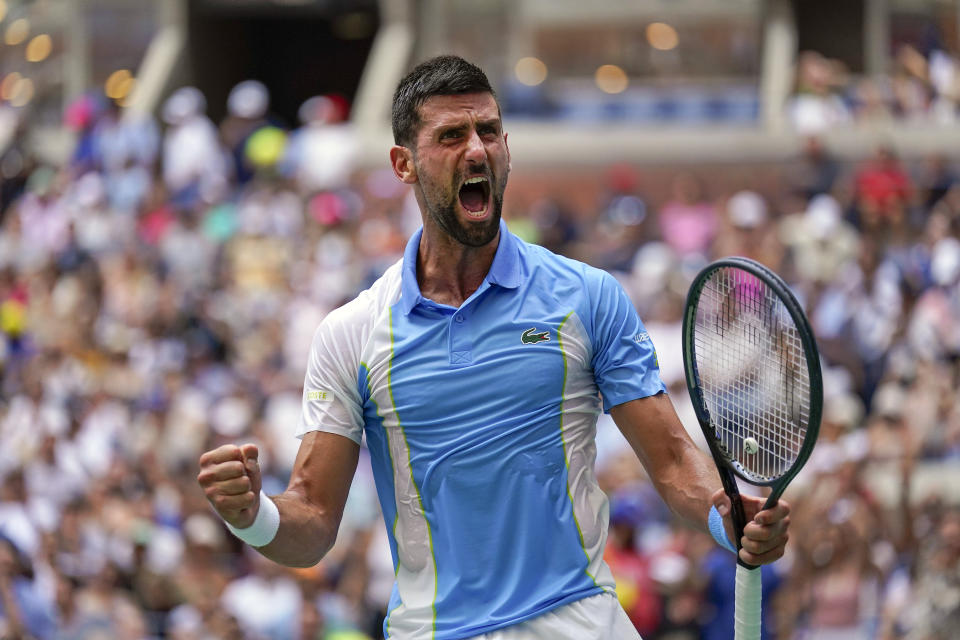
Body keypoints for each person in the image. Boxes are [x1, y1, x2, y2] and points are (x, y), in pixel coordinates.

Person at [197, 55, 791, 640]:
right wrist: (254, 516)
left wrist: (725, 515)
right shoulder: (351, 333)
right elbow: (314, 522)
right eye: (452, 136)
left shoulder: (588, 297)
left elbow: (671, 462)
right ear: (404, 164)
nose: (477, 150)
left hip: (578, 620)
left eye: (488, 131)